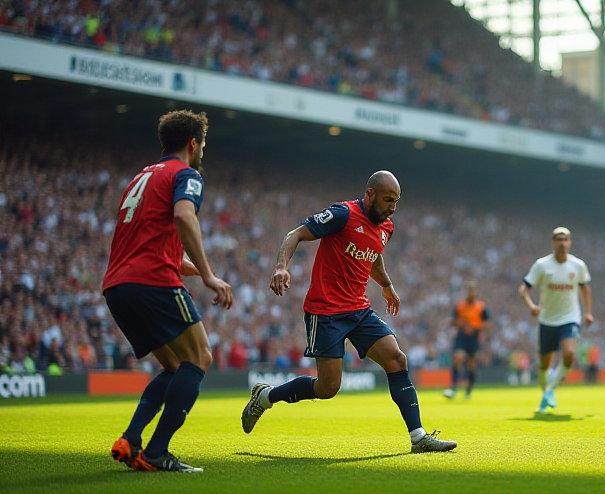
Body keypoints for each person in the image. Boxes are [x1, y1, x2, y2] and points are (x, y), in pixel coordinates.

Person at [240, 170, 456, 453]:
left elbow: (374, 255)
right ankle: (266, 396)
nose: (393, 207)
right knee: (328, 388)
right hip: (326, 311)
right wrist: (281, 266)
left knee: (396, 359)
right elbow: (295, 235)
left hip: (359, 308)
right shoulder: (342, 215)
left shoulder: (386, 227)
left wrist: (387, 285)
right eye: (388, 199)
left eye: (397, 201)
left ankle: (419, 437)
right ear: (369, 195)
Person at [106, 110, 234, 473]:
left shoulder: (139, 179)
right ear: (194, 144)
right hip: (153, 282)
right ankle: (157, 452)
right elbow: (182, 216)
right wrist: (208, 275)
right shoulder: (186, 175)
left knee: (175, 365)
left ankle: (131, 440)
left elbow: (145, 239)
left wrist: (190, 268)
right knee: (199, 357)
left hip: (117, 285)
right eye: (203, 144)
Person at [519, 227, 594, 412]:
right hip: (547, 320)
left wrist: (588, 312)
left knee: (569, 355)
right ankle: (547, 392)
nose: (562, 243)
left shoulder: (578, 265)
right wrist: (531, 306)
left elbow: (585, 288)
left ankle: (551, 389)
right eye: (558, 239)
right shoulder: (542, 265)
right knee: (545, 363)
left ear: (570, 242)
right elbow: (523, 289)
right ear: (553, 243)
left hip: (570, 318)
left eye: (565, 239)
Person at [443, 280, 490, 399]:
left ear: (476, 291)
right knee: (457, 357)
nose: (471, 292)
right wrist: (461, 324)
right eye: (469, 290)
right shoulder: (460, 306)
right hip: (462, 336)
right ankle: (453, 387)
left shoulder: (481, 307)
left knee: (471, 365)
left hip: (474, 337)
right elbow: (453, 321)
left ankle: (468, 390)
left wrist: (475, 327)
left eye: (473, 290)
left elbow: (488, 324)